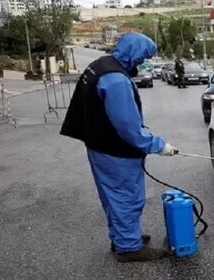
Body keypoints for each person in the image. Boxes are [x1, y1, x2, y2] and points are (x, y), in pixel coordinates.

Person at [60, 32, 178, 262]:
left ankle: (122, 237)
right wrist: (159, 145)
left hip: (98, 144)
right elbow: (128, 128)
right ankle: (129, 247)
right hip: (115, 149)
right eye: (145, 56)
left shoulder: (101, 65)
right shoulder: (116, 80)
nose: (145, 61)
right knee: (126, 198)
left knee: (113, 196)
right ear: (134, 52)